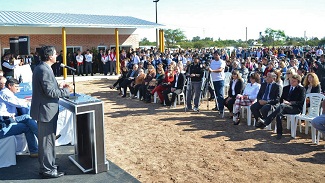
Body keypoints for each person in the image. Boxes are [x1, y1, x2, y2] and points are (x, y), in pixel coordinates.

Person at [30, 46, 71, 179]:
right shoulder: (44, 69)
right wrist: (66, 91)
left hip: (45, 110)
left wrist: (58, 86)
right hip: (46, 111)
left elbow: (47, 88)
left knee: (48, 142)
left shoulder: (42, 68)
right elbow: (50, 93)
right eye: (55, 53)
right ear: (49, 56)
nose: (57, 55)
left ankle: (48, 166)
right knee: (47, 143)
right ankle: (48, 170)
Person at [256, 74, 306, 139]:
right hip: (284, 107)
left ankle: (266, 121)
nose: (292, 82)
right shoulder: (286, 88)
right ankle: (279, 133)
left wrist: (290, 103)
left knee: (281, 106)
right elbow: (281, 99)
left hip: (295, 108)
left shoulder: (301, 89)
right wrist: (284, 102)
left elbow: (301, 101)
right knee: (279, 114)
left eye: (294, 81)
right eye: (291, 80)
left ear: (298, 82)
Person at [209, 50, 226, 117]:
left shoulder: (222, 62)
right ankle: (217, 106)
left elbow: (220, 70)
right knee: (215, 94)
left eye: (216, 55)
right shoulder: (212, 62)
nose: (215, 56)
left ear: (219, 55)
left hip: (220, 80)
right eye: (214, 55)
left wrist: (212, 71)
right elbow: (210, 68)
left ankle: (221, 108)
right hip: (213, 80)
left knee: (220, 94)